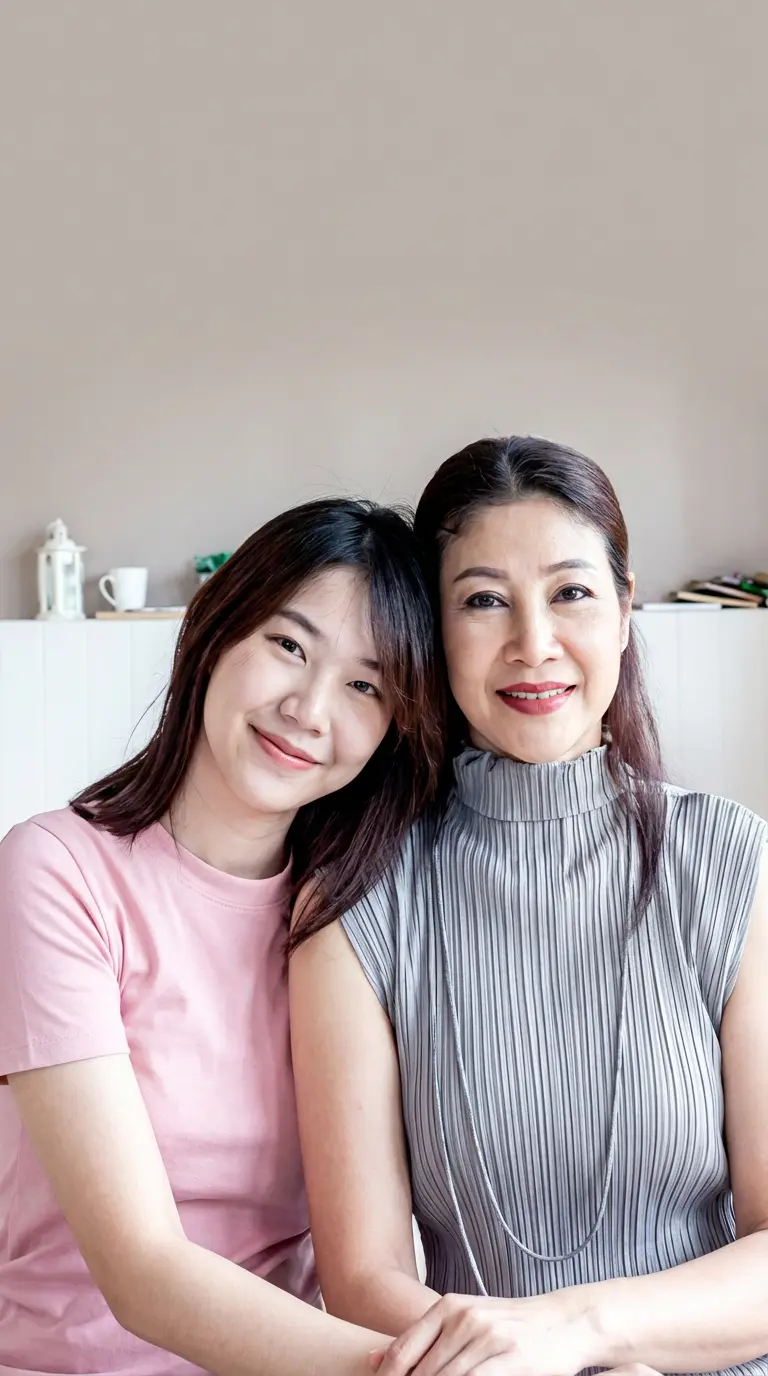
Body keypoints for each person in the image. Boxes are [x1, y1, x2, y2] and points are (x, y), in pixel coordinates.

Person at [289, 438, 768, 1376]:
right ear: (433, 632)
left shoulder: (729, 860)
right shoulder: (357, 894)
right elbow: (364, 1277)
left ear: (624, 612)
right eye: (483, 601)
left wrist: (585, 1336)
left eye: (571, 592)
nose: (533, 643)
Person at [0, 498, 444, 1376]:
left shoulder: (356, 914)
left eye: (365, 686)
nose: (308, 709)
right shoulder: (55, 870)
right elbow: (144, 1274)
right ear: (215, 632)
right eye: (289, 646)